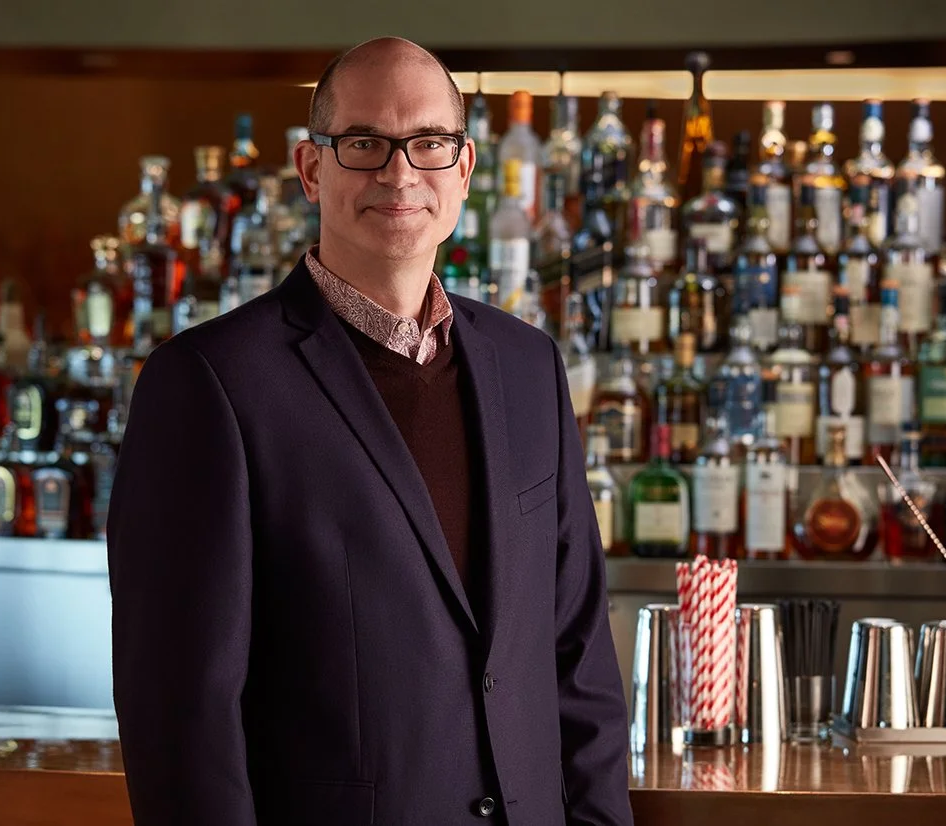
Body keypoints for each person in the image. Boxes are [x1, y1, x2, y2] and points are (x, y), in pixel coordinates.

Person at [107, 36, 632, 826]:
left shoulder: (528, 367)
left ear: (463, 169)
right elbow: (181, 714)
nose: (399, 173)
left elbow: (578, 652)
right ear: (312, 168)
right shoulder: (208, 383)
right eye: (364, 144)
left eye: (428, 143)